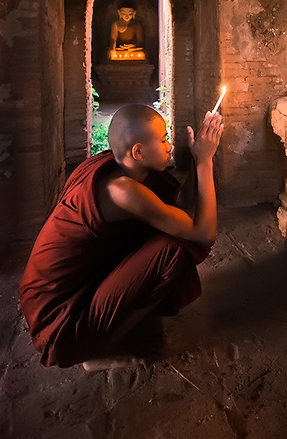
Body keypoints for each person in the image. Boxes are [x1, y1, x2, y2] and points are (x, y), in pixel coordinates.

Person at [19, 104, 223, 370]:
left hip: (77, 285)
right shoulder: (122, 191)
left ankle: (113, 318)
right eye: (163, 140)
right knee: (175, 249)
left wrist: (199, 159)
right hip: (58, 314)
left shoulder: (126, 168)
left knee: (166, 231)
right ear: (138, 152)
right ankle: (95, 351)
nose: (170, 146)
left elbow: (179, 202)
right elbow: (204, 234)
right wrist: (206, 162)